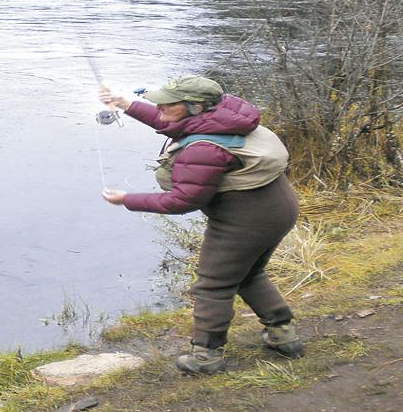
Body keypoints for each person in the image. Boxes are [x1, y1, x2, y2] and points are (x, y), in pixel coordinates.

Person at [98, 75, 303, 374]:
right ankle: (283, 334)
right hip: (278, 206)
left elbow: (182, 201)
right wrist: (125, 104)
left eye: (168, 104)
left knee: (212, 285)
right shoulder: (224, 115)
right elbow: (172, 121)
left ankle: (206, 357)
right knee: (247, 273)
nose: (160, 107)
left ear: (195, 106)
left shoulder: (204, 148)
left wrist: (127, 199)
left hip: (246, 218)